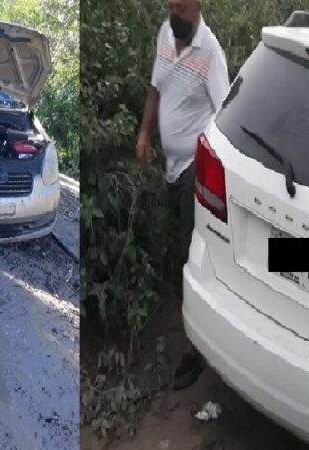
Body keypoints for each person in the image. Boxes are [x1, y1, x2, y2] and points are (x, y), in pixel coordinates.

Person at [135, 0, 229, 390]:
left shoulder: (211, 53)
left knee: (191, 252)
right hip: (171, 169)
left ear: (200, 6)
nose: (177, 16)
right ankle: (192, 322)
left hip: (195, 168)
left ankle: (197, 350)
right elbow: (156, 89)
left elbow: (224, 116)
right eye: (172, 7)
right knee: (179, 248)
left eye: (184, 10)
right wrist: (144, 132)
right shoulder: (165, 33)